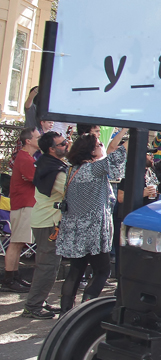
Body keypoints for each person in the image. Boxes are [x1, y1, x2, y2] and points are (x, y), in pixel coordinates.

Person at [56, 130, 128, 312]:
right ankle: (84, 311)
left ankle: (65, 313)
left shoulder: (72, 169)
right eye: (99, 144)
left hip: (73, 228)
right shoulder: (93, 169)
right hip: (93, 229)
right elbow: (119, 155)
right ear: (90, 151)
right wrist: (135, 133)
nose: (102, 146)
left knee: (76, 270)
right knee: (102, 271)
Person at [20, 132, 69, 319]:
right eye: (62, 143)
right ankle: (32, 306)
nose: (66, 145)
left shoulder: (49, 164)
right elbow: (70, 191)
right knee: (47, 266)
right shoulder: (54, 170)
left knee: (49, 265)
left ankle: (39, 301)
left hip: (46, 220)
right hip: (49, 222)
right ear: (51, 149)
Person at [1, 128, 39, 293]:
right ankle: (9, 278)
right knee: (16, 242)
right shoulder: (24, 158)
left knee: (19, 242)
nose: (40, 139)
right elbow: (36, 179)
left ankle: (14, 276)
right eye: (38, 137)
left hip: (25, 204)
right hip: (23, 204)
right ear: (28, 141)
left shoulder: (27, 157)